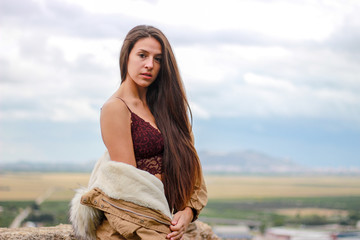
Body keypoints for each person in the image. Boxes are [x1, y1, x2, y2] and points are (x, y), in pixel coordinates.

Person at [70, 25, 207, 240]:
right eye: (142, 55)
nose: (150, 65)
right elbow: (129, 189)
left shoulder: (168, 107)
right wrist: (161, 231)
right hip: (136, 226)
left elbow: (192, 166)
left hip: (170, 223)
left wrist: (188, 212)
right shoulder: (116, 108)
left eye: (158, 59)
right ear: (126, 57)